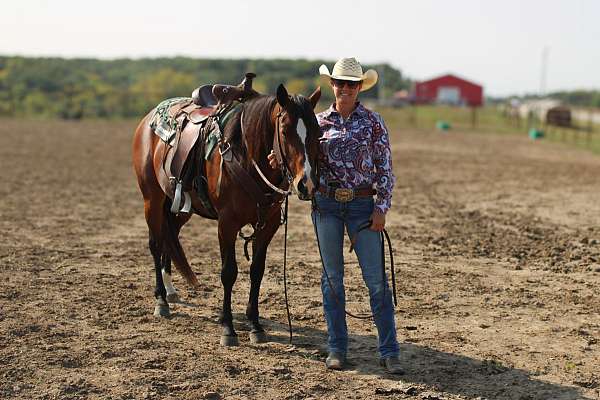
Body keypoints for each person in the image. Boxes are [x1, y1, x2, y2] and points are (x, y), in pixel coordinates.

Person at [269, 57, 402, 374]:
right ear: (332, 85)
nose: (345, 88)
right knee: (332, 281)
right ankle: (337, 348)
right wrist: (280, 160)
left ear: (359, 87)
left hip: (363, 207)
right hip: (326, 206)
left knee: (376, 282)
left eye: (351, 84)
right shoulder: (316, 122)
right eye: (340, 83)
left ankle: (389, 350)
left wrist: (381, 209)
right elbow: (300, 154)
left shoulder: (373, 123)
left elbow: (385, 169)